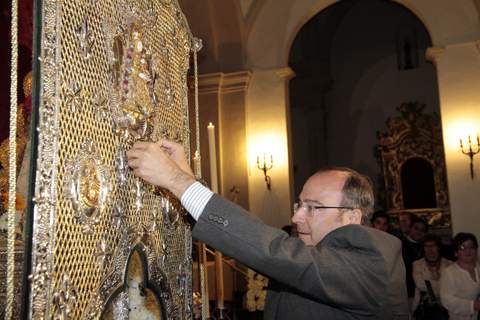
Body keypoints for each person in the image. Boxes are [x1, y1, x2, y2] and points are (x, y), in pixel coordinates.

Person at [127, 140, 409, 319]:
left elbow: (275, 251)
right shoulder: (321, 257)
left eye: (313, 207)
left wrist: (179, 182)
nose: (296, 217)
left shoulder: (374, 260)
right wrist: (188, 181)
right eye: (299, 204)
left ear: (352, 217)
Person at [440, 233, 480, 320]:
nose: (468, 250)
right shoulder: (449, 272)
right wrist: (473, 305)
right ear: (456, 253)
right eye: (462, 248)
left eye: (471, 247)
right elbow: (447, 300)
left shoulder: (478, 267)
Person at [412, 233, 452, 316]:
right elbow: (421, 285)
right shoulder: (417, 264)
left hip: (447, 308)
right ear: (423, 248)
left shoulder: (449, 265)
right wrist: (440, 282)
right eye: (426, 246)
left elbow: (451, 286)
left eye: (433, 245)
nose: (430, 249)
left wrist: (429, 283)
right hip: (423, 310)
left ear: (438, 247)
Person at [403, 216, 428, 301]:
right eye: (416, 228)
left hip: (424, 287)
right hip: (407, 287)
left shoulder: (427, 246)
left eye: (422, 230)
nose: (419, 232)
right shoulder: (401, 244)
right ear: (410, 229)